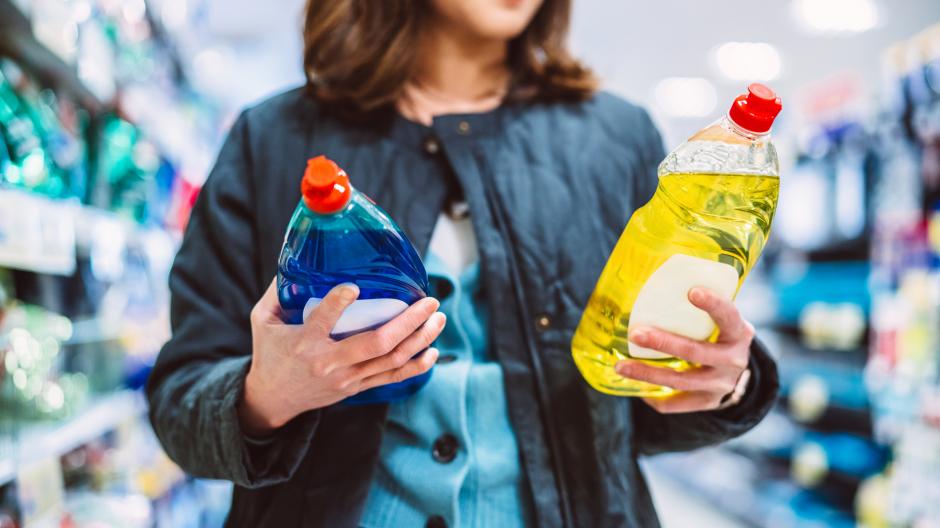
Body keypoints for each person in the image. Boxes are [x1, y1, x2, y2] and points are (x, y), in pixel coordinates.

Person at [146, 0, 779, 526]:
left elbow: (635, 422)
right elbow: (179, 403)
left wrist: (722, 382)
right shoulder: (274, 137)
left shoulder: (615, 137)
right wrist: (266, 395)